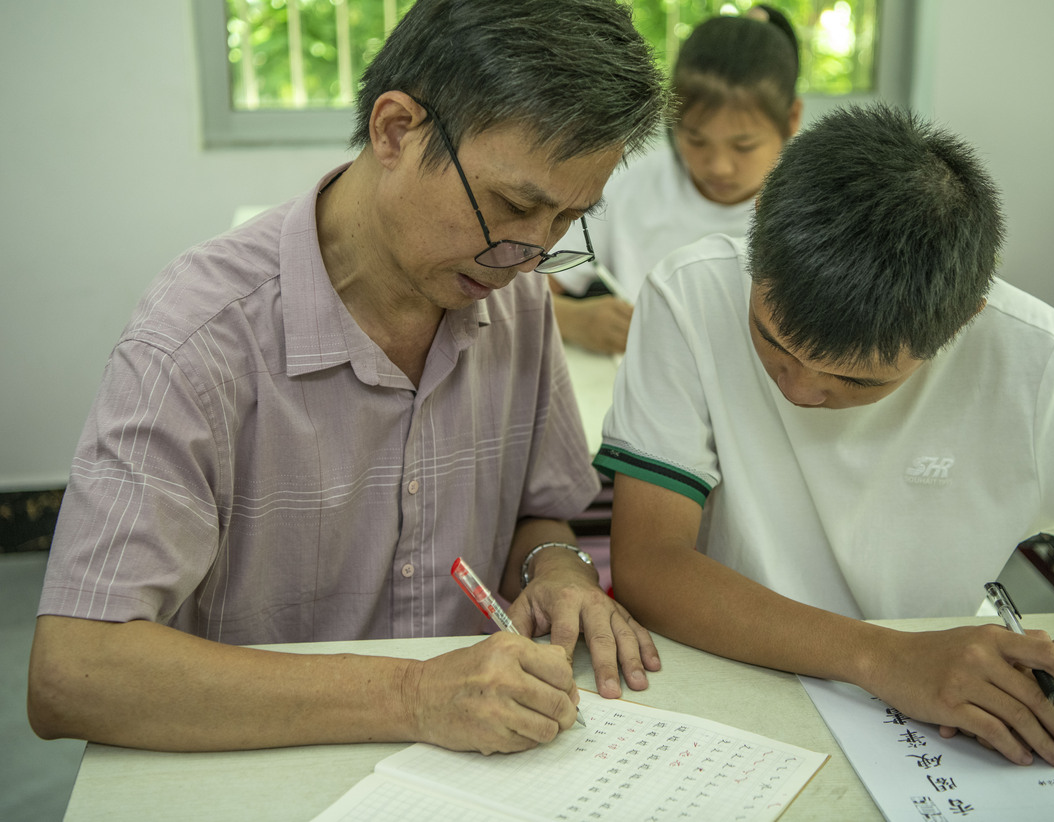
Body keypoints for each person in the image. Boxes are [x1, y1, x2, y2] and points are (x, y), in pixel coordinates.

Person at [27, 0, 667, 756]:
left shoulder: (513, 301)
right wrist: (412, 696)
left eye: (563, 221)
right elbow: (73, 671)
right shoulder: (200, 338)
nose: (528, 256)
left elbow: (540, 514)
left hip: (476, 762)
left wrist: (556, 570)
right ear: (395, 130)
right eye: (512, 205)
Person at [598, 104, 1054, 769]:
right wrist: (883, 657)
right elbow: (650, 562)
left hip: (929, 717)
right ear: (758, 230)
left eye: (855, 381)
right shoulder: (690, 295)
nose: (799, 391)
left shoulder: (1038, 364)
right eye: (773, 345)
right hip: (729, 680)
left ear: (964, 321)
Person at [551, 6, 802, 354]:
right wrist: (573, 320)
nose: (719, 167)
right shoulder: (628, 184)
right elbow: (530, 290)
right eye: (696, 140)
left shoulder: (812, 206)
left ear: (792, 118)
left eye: (743, 146)